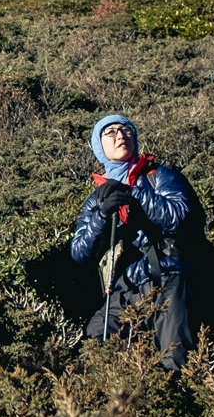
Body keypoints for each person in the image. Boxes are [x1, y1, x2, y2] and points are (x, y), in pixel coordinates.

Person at [70, 114, 194, 371]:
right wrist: (102, 216)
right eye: (110, 132)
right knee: (94, 345)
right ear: (99, 146)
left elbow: (179, 218)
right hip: (124, 286)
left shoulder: (159, 176)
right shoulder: (98, 197)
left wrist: (136, 192)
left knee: (175, 357)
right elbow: (80, 253)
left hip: (169, 276)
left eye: (126, 130)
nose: (120, 135)